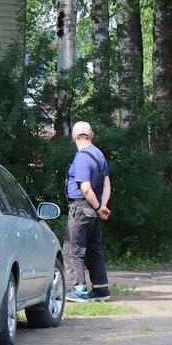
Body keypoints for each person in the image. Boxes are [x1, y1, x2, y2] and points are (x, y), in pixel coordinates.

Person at [64, 120, 111, 301]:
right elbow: (107, 184)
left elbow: (85, 188)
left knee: (72, 248)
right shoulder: (99, 155)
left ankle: (79, 290)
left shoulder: (82, 157)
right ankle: (101, 289)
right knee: (93, 248)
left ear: (74, 137)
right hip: (94, 207)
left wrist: (99, 207)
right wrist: (102, 205)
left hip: (81, 207)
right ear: (92, 135)